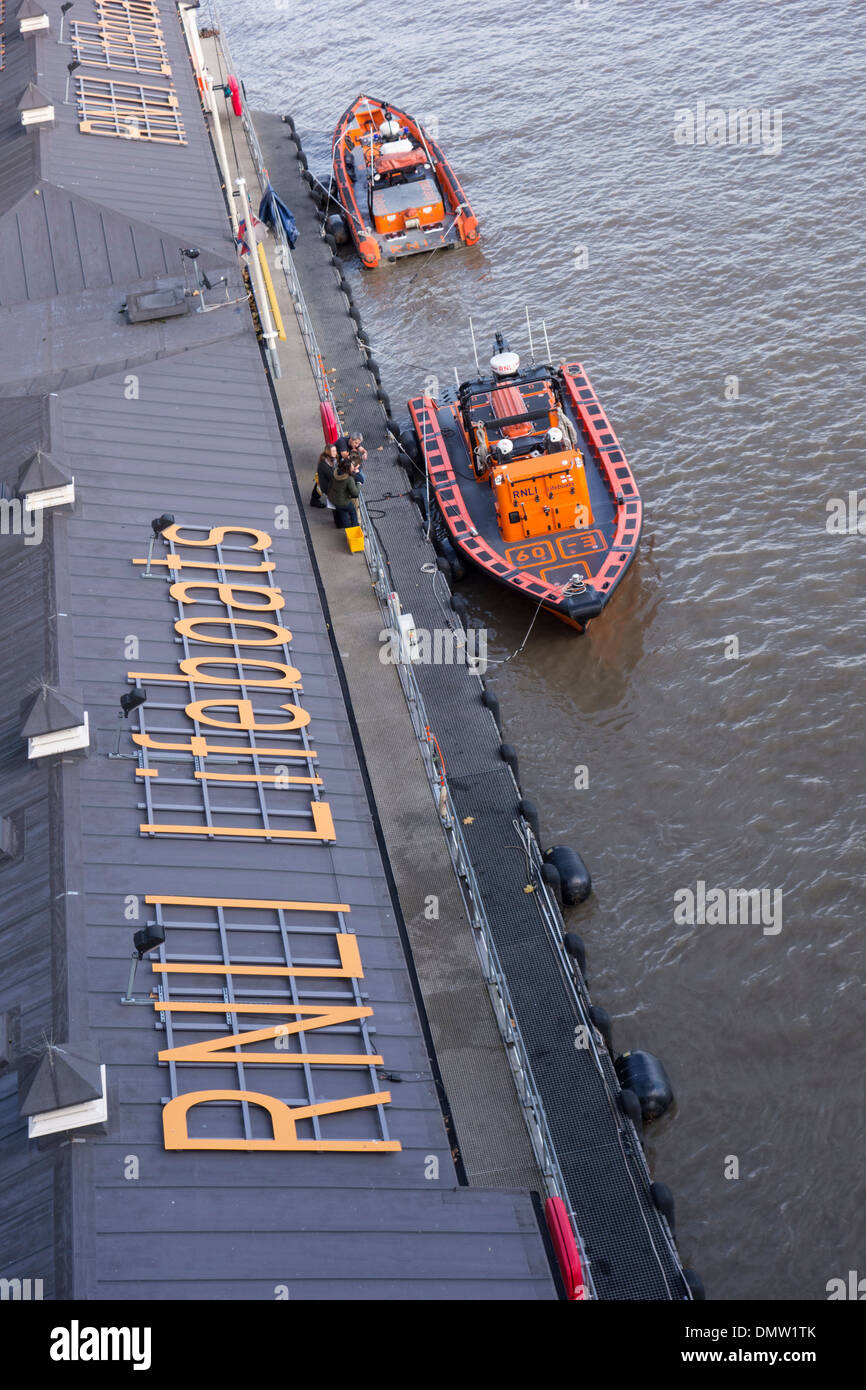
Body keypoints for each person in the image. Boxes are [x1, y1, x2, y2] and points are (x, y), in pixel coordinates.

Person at [327, 460, 359, 529]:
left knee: (343, 514)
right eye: (352, 466)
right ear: (348, 468)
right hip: (344, 502)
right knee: (353, 512)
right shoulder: (349, 479)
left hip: (334, 500)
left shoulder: (335, 473)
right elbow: (355, 493)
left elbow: (330, 484)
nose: (353, 467)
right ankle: (354, 529)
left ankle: (348, 530)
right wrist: (359, 484)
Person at [310, 444, 338, 508]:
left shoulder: (333, 459)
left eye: (335, 451)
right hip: (325, 483)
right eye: (333, 451)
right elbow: (332, 476)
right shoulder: (323, 464)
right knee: (318, 488)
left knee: (318, 488)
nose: (335, 453)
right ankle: (314, 501)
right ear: (328, 452)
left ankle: (314, 500)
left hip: (324, 480)